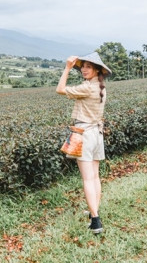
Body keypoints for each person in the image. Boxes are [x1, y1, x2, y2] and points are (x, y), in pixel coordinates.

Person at [56, 52, 111, 234]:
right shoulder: (100, 87)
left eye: (88, 67)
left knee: (88, 178)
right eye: (82, 67)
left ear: (96, 70)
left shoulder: (87, 88)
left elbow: (60, 89)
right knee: (95, 176)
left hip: (85, 135)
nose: (84, 70)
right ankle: (94, 209)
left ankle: (95, 220)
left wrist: (67, 68)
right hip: (96, 134)